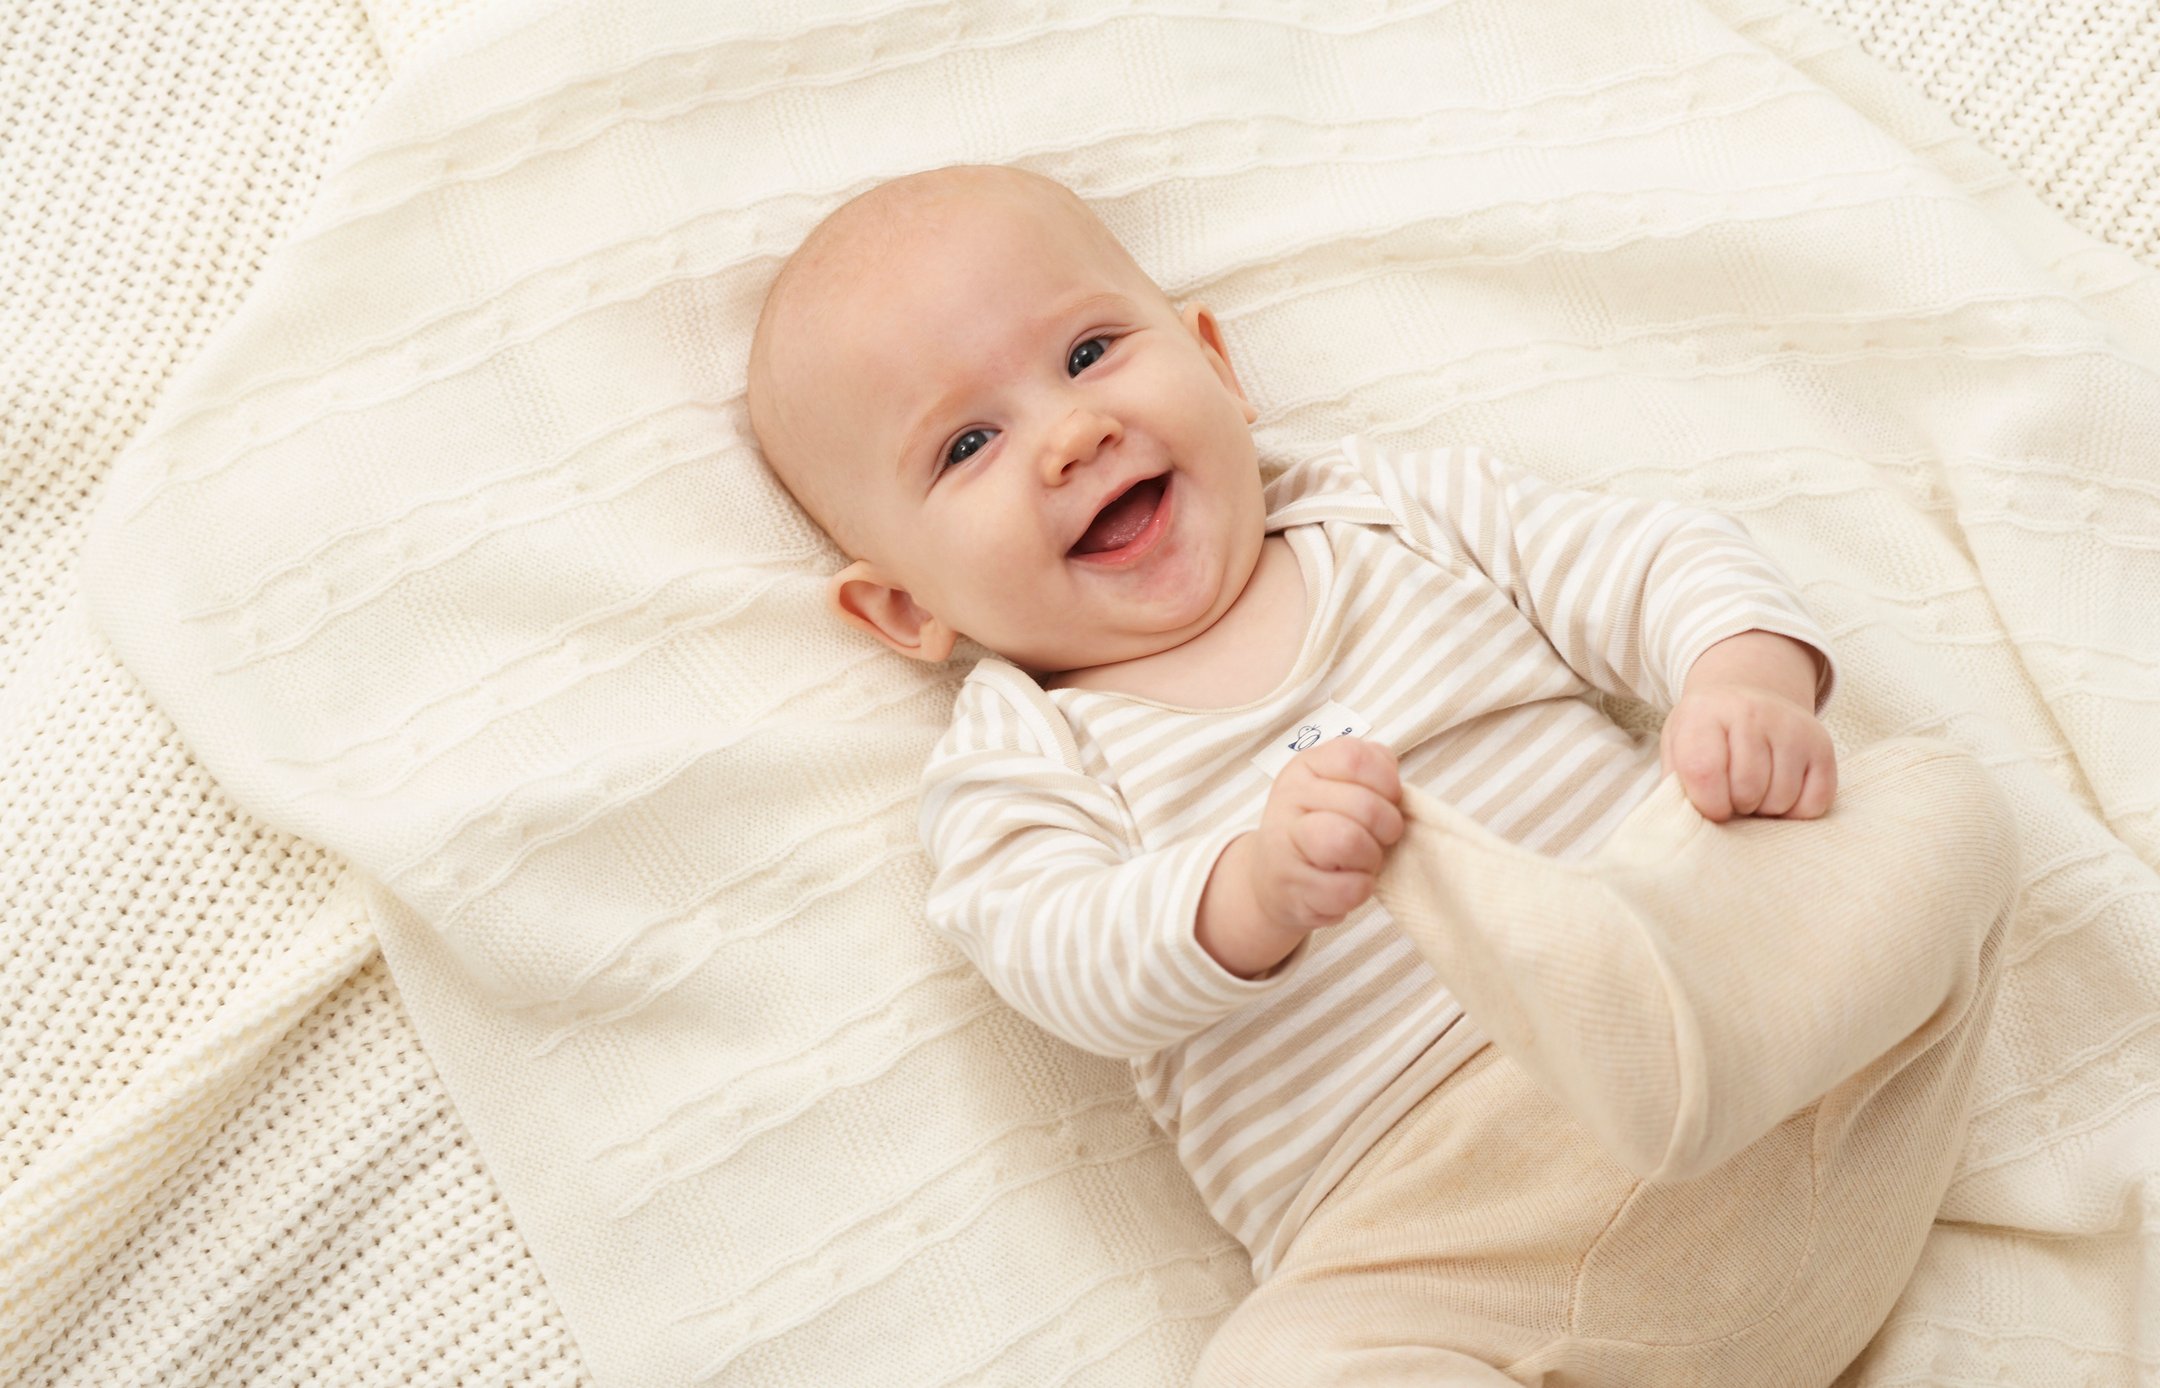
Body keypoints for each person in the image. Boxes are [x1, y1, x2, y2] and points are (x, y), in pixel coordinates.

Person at [744, 162, 2018, 1385]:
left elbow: (1644, 558)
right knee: (1274, 1366)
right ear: (905, 607)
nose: (1071, 435)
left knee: (1938, 798)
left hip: (1742, 1031)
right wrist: (1248, 890)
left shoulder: (1391, 510)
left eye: (1088, 354)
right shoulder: (1020, 753)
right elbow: (1059, 952)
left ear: (1218, 364)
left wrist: (1742, 681)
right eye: (968, 443)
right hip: (1445, 1233)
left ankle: (1660, 1041)